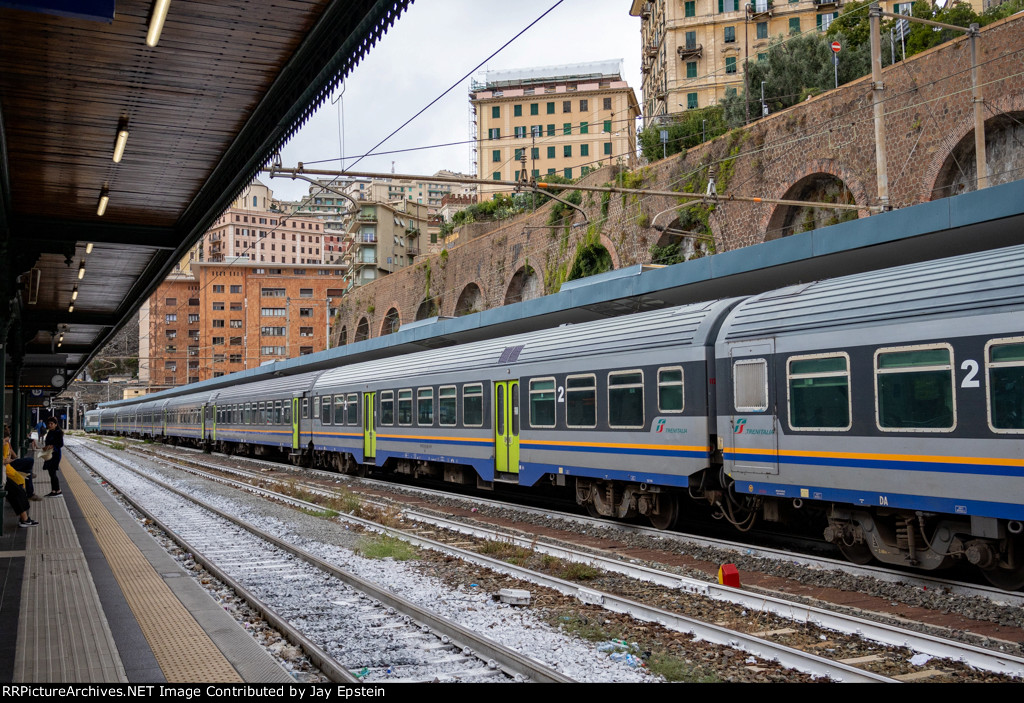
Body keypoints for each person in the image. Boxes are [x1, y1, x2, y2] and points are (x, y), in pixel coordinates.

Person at [3, 431, 39, 526]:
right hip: (3, 476)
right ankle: (24, 519)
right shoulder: (3, 445)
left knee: (19, 489)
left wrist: (9, 460)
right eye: (4, 440)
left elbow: (8, 457)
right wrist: (5, 460)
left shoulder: (5, 445)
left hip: (4, 475)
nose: (6, 443)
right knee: (17, 491)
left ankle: (25, 519)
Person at [42, 417, 63, 497]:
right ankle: (54, 490)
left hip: (55, 455)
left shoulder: (58, 432)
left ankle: (58, 490)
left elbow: (61, 444)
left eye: (52, 424)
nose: (50, 425)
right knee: (51, 472)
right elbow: (47, 442)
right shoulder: (50, 432)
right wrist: (46, 447)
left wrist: (53, 447)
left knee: (53, 472)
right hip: (49, 454)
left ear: (56, 424)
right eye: (49, 424)